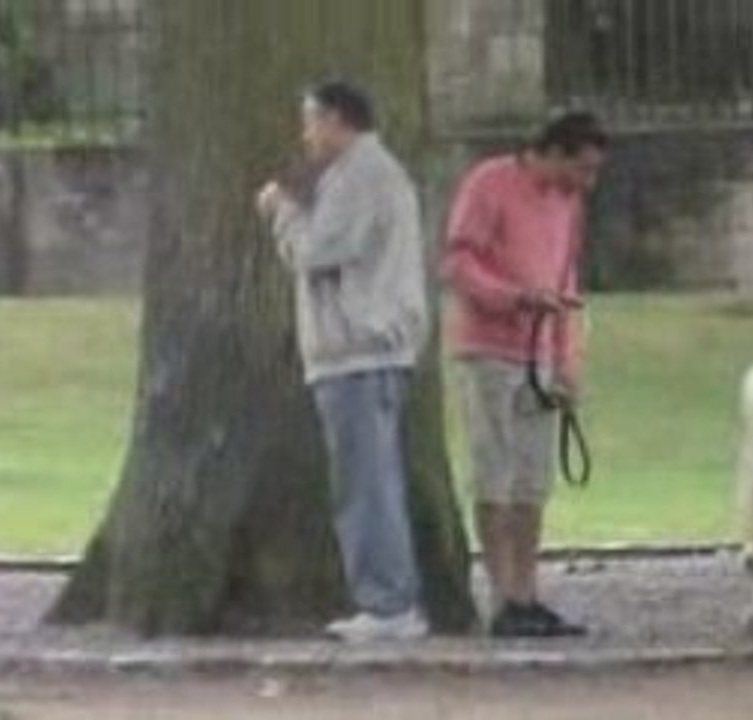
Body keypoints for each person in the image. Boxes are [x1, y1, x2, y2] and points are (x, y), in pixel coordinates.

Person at [256, 81, 430, 643]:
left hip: (359, 350)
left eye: (310, 122)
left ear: (336, 120)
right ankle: (388, 597)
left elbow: (319, 251)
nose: (305, 135)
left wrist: (283, 211)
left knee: (365, 483)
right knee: (369, 478)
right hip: (364, 348)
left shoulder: (361, 175)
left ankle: (388, 603)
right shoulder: (366, 175)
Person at [443, 111, 609, 637]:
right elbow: (458, 263)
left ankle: (526, 590)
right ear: (555, 152)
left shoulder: (568, 204)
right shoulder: (490, 184)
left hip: (540, 352)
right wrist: (512, 298)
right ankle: (502, 595)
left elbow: (566, 284)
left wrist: (567, 361)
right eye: (581, 168)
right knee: (495, 473)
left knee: (533, 480)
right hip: (489, 349)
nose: (587, 183)